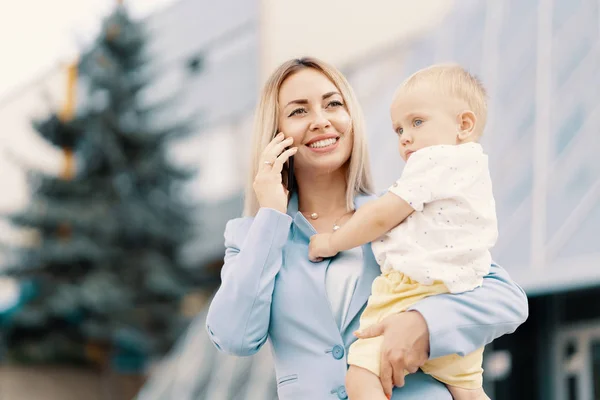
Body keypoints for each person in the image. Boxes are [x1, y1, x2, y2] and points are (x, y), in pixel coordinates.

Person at [205, 57, 528, 400]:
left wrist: (423, 322)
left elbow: (507, 299)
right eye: (298, 111)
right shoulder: (253, 237)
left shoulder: (400, 210)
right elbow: (234, 336)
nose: (321, 120)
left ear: (352, 118)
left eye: (333, 104)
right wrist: (271, 215)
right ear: (275, 134)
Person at [309, 63, 496, 400]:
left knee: (362, 377)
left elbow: (382, 216)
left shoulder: (433, 161)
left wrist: (333, 241)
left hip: (409, 292)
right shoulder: (473, 168)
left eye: (417, 122)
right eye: (398, 130)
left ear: (463, 124)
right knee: (468, 390)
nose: (406, 136)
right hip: (460, 294)